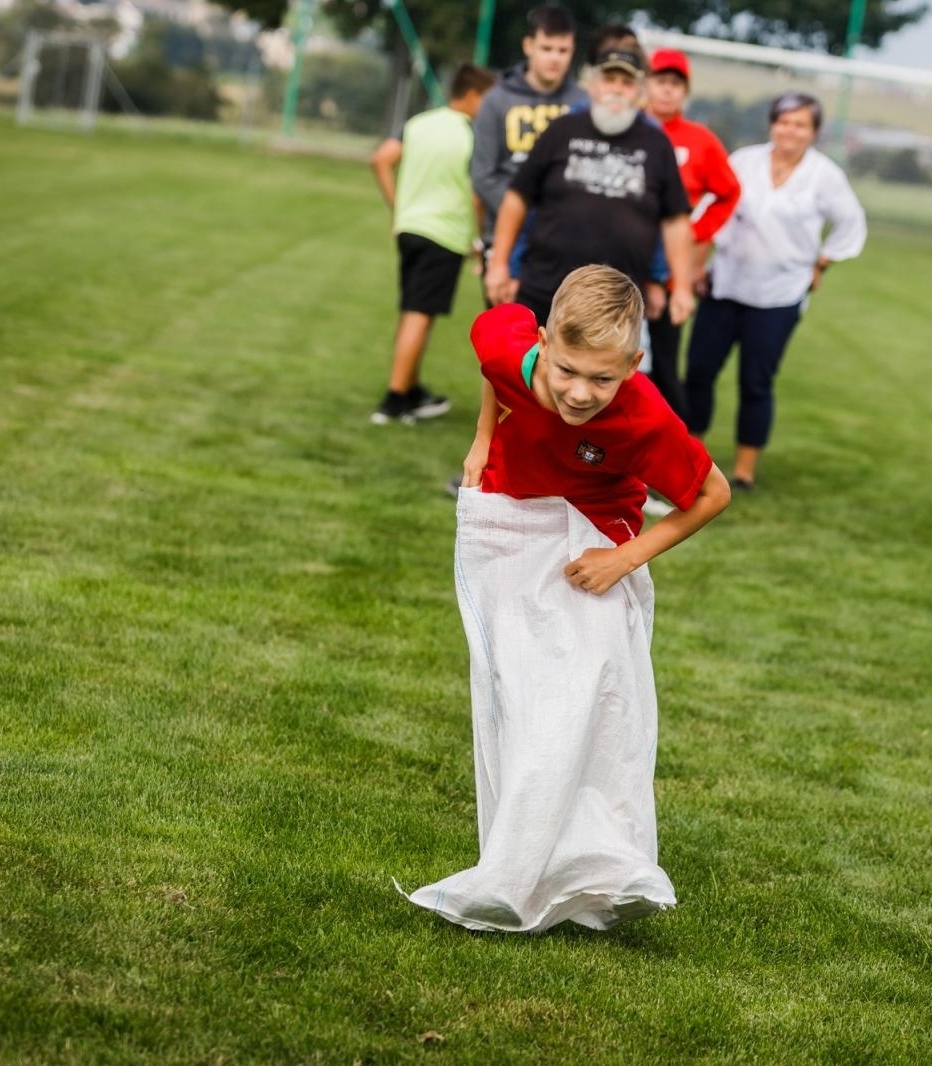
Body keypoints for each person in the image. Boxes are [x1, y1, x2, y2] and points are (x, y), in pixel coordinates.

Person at [404, 265, 731, 933]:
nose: (581, 393)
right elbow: (497, 376)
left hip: (595, 546)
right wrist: (483, 439)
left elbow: (711, 494)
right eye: (567, 372)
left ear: (635, 366)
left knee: (597, 696)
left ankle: (614, 867)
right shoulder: (503, 342)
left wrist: (625, 558)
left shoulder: (642, 416)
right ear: (544, 343)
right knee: (521, 699)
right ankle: (523, 863)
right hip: (512, 526)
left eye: (603, 379)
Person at [683, 92, 866, 490]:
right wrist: (697, 265)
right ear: (772, 124)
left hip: (779, 294)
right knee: (698, 371)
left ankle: (745, 470)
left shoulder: (824, 175)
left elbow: (851, 223)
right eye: (784, 121)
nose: (790, 130)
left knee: (755, 380)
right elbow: (709, 213)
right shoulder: (743, 162)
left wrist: (822, 262)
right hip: (725, 283)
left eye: (800, 124)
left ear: (814, 132)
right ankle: (690, 456)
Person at [484, 47, 696, 331]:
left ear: (639, 91)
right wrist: (500, 264)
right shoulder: (561, 129)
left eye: (627, 83)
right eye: (609, 79)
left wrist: (680, 285)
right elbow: (517, 198)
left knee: (601, 375)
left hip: (617, 301)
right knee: (516, 370)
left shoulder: (657, 144)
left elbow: (675, 220)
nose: (617, 90)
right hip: (543, 286)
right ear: (593, 85)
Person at [368, 64, 497, 425]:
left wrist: (400, 209)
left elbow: (381, 159)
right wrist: (482, 236)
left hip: (409, 229)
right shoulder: (471, 135)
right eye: (489, 99)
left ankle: (410, 390)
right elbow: (476, 195)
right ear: (472, 95)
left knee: (412, 310)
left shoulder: (420, 122)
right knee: (419, 316)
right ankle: (394, 401)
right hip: (443, 234)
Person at [642, 47, 741, 421]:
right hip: (617, 262)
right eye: (660, 81)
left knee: (663, 369)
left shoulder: (699, 140)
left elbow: (729, 192)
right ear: (646, 83)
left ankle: (680, 459)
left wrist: (695, 233)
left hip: (667, 274)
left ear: (685, 91)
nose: (667, 90)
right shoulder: (629, 126)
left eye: (675, 84)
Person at [470, 5, 584, 286]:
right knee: (508, 328)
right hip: (505, 240)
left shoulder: (583, 105)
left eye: (563, 50)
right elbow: (483, 175)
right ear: (528, 46)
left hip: (565, 241)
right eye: (547, 48)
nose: (554, 58)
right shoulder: (496, 100)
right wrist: (527, 214)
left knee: (563, 329)